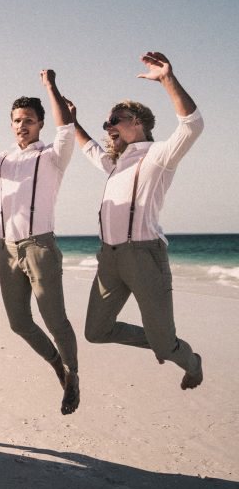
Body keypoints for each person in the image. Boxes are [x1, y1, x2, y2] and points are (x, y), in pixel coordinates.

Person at [72, 52, 203, 391]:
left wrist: (167, 80)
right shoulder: (114, 164)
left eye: (116, 119)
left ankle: (189, 359)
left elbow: (193, 125)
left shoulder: (159, 156)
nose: (109, 126)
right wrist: (68, 116)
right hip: (109, 258)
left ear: (139, 122)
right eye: (106, 123)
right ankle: (161, 341)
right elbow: (86, 145)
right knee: (95, 331)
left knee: (165, 344)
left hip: (146, 257)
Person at [0, 71, 81, 414]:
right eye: (16, 120)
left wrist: (51, 87)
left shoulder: (53, 156)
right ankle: (57, 363)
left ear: (40, 123)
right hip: (7, 250)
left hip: (40, 247)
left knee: (56, 320)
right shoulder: (3, 160)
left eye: (28, 120)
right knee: (19, 322)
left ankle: (72, 375)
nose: (21, 125)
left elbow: (66, 130)